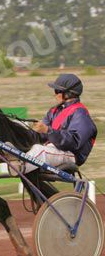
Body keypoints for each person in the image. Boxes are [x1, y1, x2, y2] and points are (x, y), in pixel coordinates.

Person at [22, 73, 97, 208]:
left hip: (70, 155)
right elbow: (38, 136)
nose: (55, 94)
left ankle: (19, 166)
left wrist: (47, 130)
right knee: (30, 149)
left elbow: (74, 142)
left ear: (67, 94)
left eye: (57, 91)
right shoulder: (54, 111)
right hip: (54, 150)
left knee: (38, 151)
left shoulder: (80, 113)